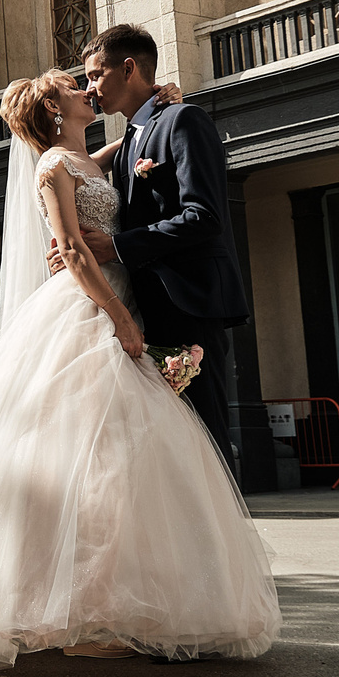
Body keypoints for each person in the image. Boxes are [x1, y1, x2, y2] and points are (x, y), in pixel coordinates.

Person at [0, 69, 279, 673]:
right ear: (53, 109)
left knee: (121, 460)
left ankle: (108, 605)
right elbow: (74, 251)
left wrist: (167, 106)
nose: (85, 89)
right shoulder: (52, 168)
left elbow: (133, 147)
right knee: (85, 453)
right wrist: (120, 319)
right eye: (70, 85)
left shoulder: (90, 161)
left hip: (120, 295)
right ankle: (72, 610)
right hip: (87, 308)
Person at [77, 23, 252, 472]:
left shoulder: (183, 120)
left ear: (129, 68)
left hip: (188, 305)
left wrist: (117, 247)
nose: (91, 89)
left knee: (204, 442)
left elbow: (204, 215)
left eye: (96, 75)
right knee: (170, 453)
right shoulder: (134, 135)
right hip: (147, 314)